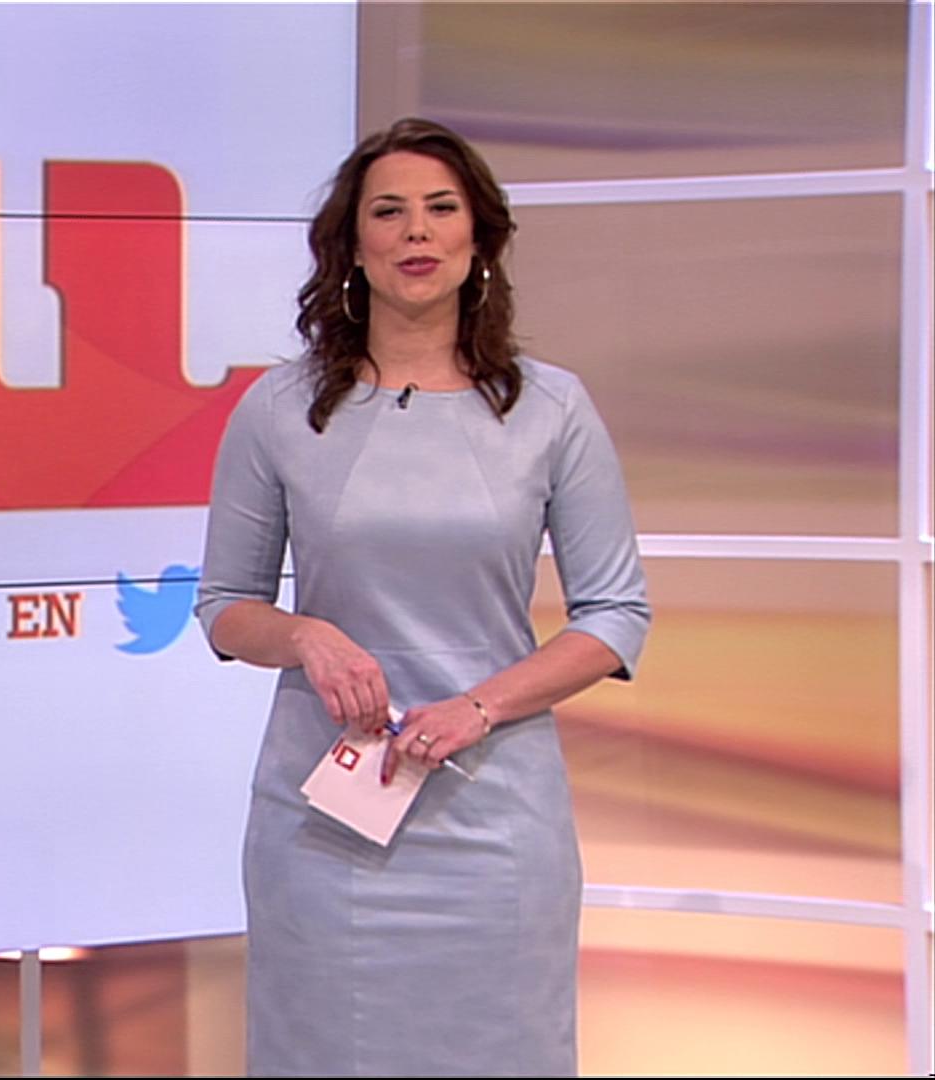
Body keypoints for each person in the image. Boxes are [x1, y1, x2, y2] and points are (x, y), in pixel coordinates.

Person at [195, 117, 651, 1077]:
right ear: (352, 244)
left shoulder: (550, 408)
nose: (416, 231)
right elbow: (227, 605)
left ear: (477, 239)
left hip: (494, 819)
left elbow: (615, 615)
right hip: (326, 819)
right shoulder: (278, 408)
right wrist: (307, 636)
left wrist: (478, 708)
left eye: (441, 209)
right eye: (389, 212)